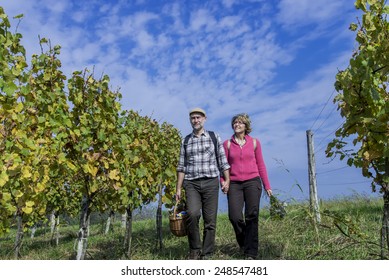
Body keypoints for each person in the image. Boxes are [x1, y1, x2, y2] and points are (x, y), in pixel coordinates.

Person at [176, 107, 230, 260]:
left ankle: (207, 253)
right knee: (192, 215)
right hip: (191, 183)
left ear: (204, 119)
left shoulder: (214, 137)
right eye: (193, 118)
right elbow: (181, 166)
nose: (196, 120)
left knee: (210, 220)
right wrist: (178, 188)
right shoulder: (185, 141)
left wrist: (227, 180)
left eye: (198, 117)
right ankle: (194, 249)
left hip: (211, 182)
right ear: (190, 120)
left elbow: (222, 161)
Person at [223, 113, 272, 260]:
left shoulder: (255, 143)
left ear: (246, 126)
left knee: (252, 216)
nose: (237, 125)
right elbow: (223, 166)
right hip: (234, 184)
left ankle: (251, 252)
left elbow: (261, 165)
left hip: (252, 182)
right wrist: (223, 182)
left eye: (240, 122)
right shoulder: (227, 144)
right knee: (235, 216)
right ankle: (244, 242)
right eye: (235, 122)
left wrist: (267, 185)